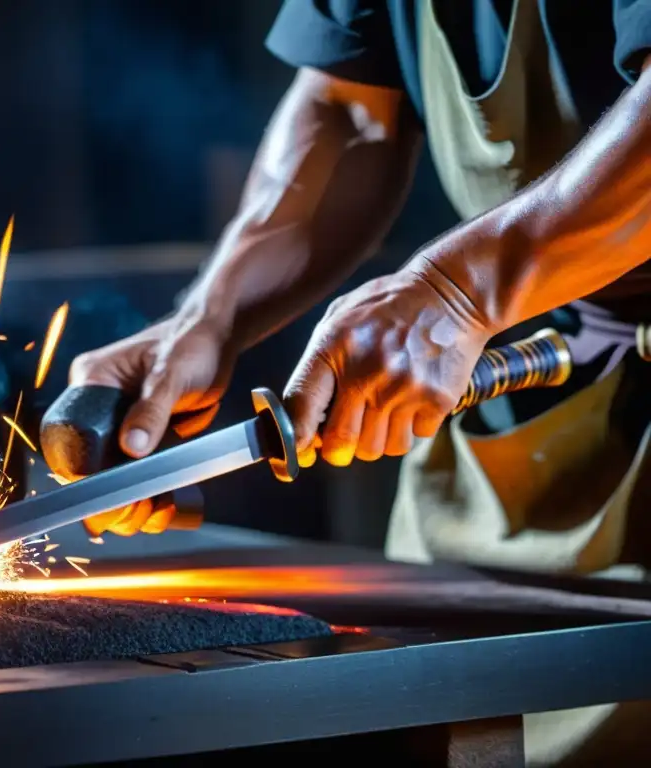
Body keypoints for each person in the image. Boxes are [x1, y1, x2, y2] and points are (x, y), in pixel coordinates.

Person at [65, 2, 651, 764]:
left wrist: (456, 292)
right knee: (439, 716)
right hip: (518, 411)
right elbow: (350, 111)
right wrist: (207, 318)